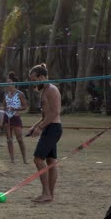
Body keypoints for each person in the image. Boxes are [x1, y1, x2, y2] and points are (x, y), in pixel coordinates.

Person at [28, 63, 62, 203]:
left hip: (53, 128)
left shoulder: (52, 90)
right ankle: (50, 195)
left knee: (38, 159)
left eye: (34, 80)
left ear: (41, 77)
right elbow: (45, 115)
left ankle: (46, 193)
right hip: (49, 126)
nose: (32, 83)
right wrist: (35, 126)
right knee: (50, 161)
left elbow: (55, 112)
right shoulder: (45, 90)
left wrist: (41, 128)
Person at [3, 71, 28, 164]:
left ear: (14, 83)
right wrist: (6, 110)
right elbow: (5, 105)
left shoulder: (19, 94)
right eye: (7, 82)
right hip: (7, 118)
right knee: (9, 140)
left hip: (15, 117)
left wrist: (16, 108)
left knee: (20, 139)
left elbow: (25, 106)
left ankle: (24, 159)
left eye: (9, 82)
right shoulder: (6, 94)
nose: (7, 84)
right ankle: (12, 160)